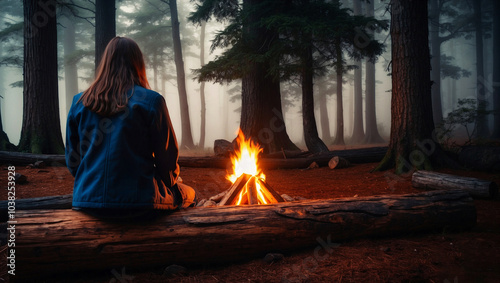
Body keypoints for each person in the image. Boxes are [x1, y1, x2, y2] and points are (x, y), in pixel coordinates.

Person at [65, 37, 196, 220]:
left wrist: (90, 182)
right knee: (189, 193)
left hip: (88, 202)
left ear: (106, 63)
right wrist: (170, 182)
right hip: (140, 203)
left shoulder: (79, 102)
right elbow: (167, 160)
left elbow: (73, 162)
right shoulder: (151, 101)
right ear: (137, 63)